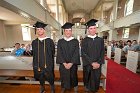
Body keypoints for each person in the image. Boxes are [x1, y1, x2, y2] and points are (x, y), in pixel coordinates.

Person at [81, 19, 105, 93]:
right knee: (87, 77)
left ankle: (95, 90)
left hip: (97, 64)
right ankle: (87, 89)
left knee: (96, 78)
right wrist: (92, 63)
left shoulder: (100, 40)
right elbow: (83, 53)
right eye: (91, 28)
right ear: (88, 29)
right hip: (88, 64)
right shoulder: (85, 40)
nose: (93, 30)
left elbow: (102, 52)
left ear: (96, 29)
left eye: (94, 28)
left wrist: (98, 63)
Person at [56, 22, 80, 93]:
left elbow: (76, 53)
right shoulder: (60, 41)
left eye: (69, 30)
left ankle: (75, 88)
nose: (68, 32)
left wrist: (71, 63)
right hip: (63, 65)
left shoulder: (75, 41)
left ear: (71, 31)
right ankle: (63, 87)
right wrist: (64, 63)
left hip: (73, 64)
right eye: (66, 30)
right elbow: (59, 53)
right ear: (64, 31)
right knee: (63, 77)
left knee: (73, 76)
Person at [32, 21, 55, 93]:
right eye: (38, 29)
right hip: (38, 64)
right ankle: (42, 87)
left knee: (50, 77)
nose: (39, 31)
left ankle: (52, 87)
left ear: (44, 30)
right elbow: (34, 54)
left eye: (41, 29)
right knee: (40, 77)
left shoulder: (49, 41)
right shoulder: (34, 42)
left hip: (48, 64)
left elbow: (52, 53)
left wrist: (49, 63)